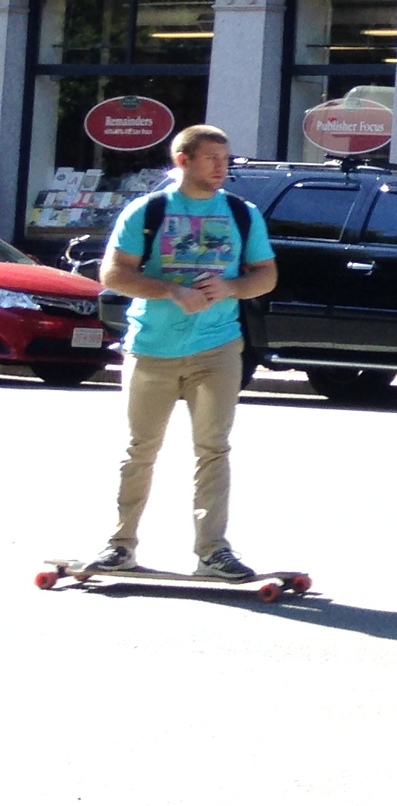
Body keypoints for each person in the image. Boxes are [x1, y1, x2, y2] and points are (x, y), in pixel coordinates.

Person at [91, 125, 278, 580]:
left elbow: (267, 275)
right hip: (152, 347)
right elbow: (113, 274)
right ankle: (120, 545)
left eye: (226, 159)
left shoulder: (242, 212)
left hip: (217, 348)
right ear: (183, 160)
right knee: (141, 450)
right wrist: (172, 290)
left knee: (213, 449)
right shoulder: (149, 210)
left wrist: (232, 285)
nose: (221, 167)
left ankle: (213, 550)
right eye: (212, 158)